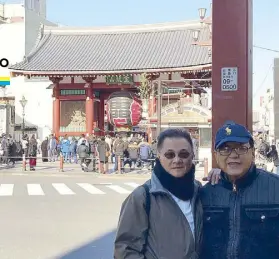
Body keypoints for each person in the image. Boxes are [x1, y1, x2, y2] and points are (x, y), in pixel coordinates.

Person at [114, 129, 203, 259]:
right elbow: (125, 250)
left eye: (183, 154)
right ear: (159, 157)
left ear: (192, 156)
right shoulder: (143, 197)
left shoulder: (198, 190)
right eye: (170, 155)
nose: (177, 160)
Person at [200, 122, 279, 259]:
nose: (233, 155)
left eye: (241, 148)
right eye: (225, 149)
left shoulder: (275, 187)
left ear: (253, 153)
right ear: (216, 155)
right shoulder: (205, 193)